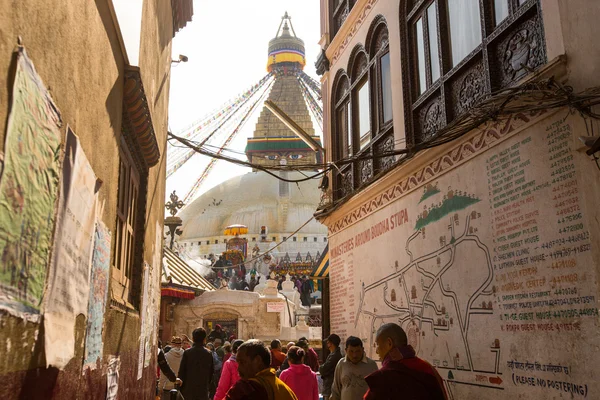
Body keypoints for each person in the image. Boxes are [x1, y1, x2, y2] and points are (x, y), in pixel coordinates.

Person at [364, 323, 448, 400]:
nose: (377, 351)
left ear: (389, 343)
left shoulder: (382, 378)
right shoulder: (429, 369)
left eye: (378, 345)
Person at [225, 339, 298, 400]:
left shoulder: (245, 389)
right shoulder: (285, 391)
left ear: (257, 360)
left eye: (242, 362)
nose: (238, 368)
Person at [178, 327, 214, 400]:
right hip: (202, 391)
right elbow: (211, 373)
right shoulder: (208, 353)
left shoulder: (187, 353)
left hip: (188, 391)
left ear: (193, 338)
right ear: (204, 339)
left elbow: (181, 372)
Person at [319, 334, 343, 400]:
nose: (327, 345)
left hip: (330, 388)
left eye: (328, 343)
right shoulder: (333, 354)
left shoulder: (335, 356)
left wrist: (321, 368)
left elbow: (323, 369)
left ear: (331, 343)